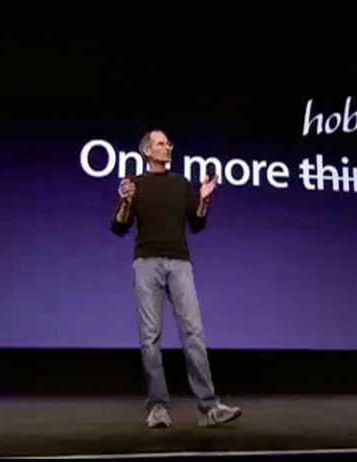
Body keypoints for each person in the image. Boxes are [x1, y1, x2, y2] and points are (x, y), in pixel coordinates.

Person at [111, 129, 242, 428]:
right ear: (147, 151)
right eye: (161, 143)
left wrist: (204, 200)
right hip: (146, 263)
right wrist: (125, 202)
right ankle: (158, 407)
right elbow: (118, 226)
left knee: (194, 332)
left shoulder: (181, 183)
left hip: (180, 263)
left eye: (169, 143)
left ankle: (209, 408)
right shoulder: (136, 184)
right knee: (150, 337)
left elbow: (197, 223)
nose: (167, 147)